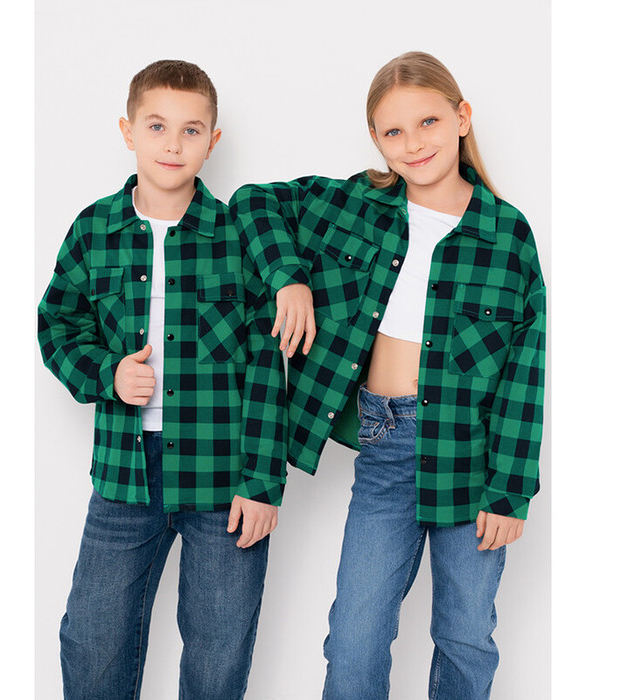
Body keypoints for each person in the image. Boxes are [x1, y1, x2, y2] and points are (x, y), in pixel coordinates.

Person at [230, 51, 546, 699]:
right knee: (355, 634)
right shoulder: (355, 205)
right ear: (375, 138)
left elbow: (525, 367)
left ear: (461, 118)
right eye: (394, 131)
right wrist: (288, 276)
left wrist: (510, 492)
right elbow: (253, 200)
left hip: (471, 457)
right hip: (385, 444)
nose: (413, 143)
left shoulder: (506, 234)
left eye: (428, 122)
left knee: (465, 635)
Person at [37, 59, 306, 700]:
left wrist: (263, 482)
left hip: (224, 478)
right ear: (128, 131)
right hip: (125, 474)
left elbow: (266, 366)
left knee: (218, 653)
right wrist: (108, 373)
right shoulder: (94, 229)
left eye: (191, 130)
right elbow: (57, 326)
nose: (173, 144)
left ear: (213, 141)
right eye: (157, 126)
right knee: (92, 639)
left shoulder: (239, 236)